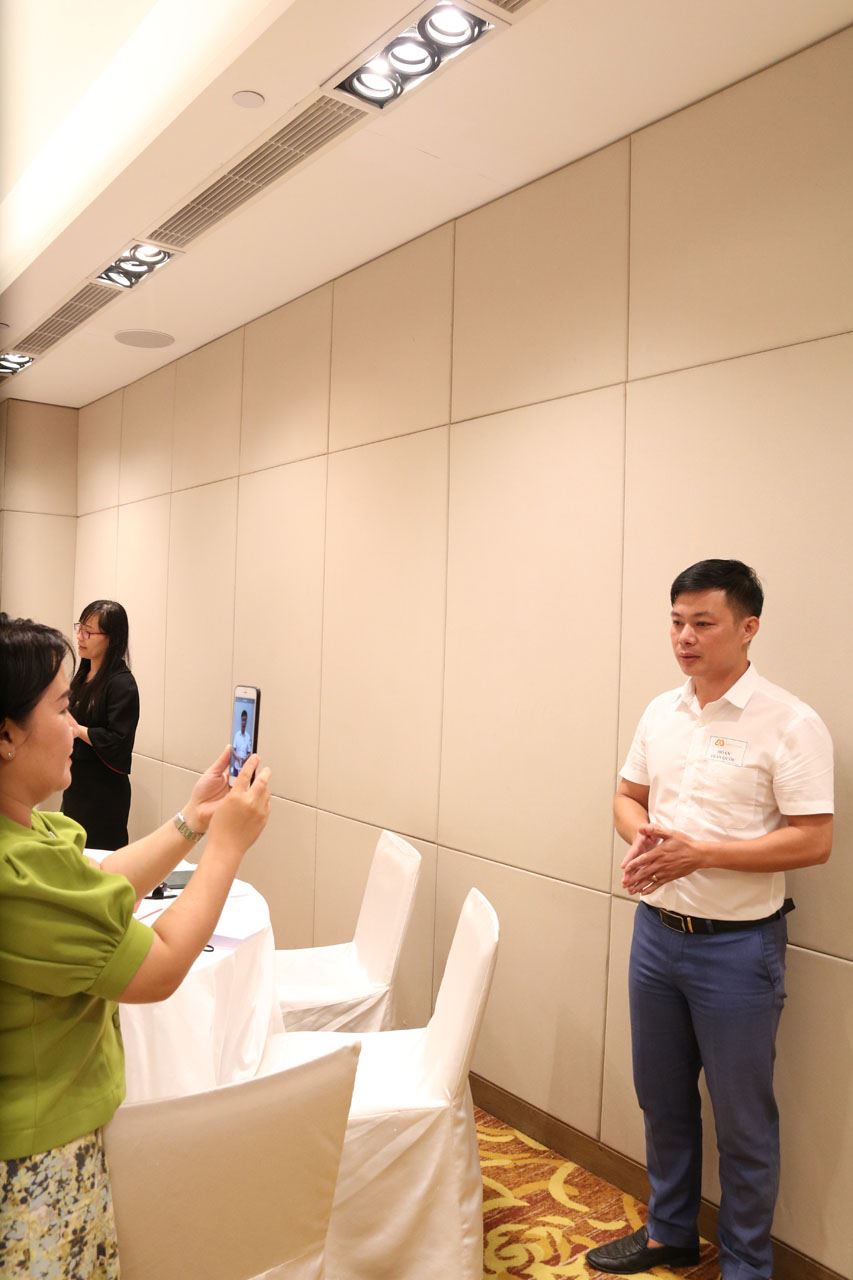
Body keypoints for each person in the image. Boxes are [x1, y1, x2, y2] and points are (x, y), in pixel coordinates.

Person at [0, 612, 271, 1278]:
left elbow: (98, 884)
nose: (74, 724)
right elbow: (162, 967)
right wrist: (227, 847)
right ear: (6, 735)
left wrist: (192, 820)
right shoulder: (15, 877)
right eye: (60, 708)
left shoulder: (26, 836)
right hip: (34, 1169)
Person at [586, 560, 833, 1280]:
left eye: (702, 622)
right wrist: (642, 836)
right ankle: (670, 1233)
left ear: (747, 627)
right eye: (675, 622)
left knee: (743, 1122)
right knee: (661, 1101)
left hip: (738, 950)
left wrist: (701, 854)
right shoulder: (661, 712)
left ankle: (747, 1266)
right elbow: (626, 795)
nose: (684, 637)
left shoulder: (789, 722)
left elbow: (813, 840)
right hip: (655, 938)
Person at [62, 600, 139, 849]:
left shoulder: (122, 684)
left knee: (99, 857)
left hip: (103, 791)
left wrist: (78, 730)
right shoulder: (82, 675)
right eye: (79, 628)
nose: (80, 637)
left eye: (89, 632)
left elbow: (119, 741)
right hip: (76, 783)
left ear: (111, 639)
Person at [231, 707, 252, 777]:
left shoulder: (248, 736)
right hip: (236, 767)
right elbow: (233, 750)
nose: (244, 722)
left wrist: (245, 759)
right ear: (241, 720)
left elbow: (249, 753)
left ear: (246, 721)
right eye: (243, 720)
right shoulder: (237, 735)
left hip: (244, 768)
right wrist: (237, 757)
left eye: (245, 720)